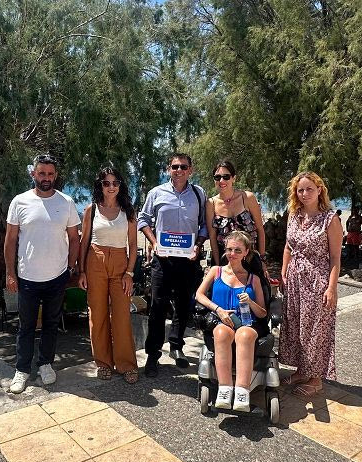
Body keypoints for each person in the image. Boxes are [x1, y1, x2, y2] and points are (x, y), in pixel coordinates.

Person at [4, 153, 81, 394]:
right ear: (33, 174)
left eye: (50, 174)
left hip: (57, 277)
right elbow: (10, 240)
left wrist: (71, 267)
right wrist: (10, 273)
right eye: (41, 173)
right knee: (26, 326)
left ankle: (45, 364)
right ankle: (22, 370)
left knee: (50, 324)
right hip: (27, 278)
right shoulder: (19, 202)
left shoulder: (66, 202)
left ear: (55, 176)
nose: (46, 178)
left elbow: (74, 238)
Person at [137, 153, 208, 377]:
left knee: (184, 305)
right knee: (157, 307)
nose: (179, 170)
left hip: (188, 260)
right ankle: (153, 355)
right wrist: (154, 243)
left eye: (183, 167)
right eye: (175, 166)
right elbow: (142, 219)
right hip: (162, 260)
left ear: (190, 170)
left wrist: (198, 245)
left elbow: (204, 225)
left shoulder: (199, 194)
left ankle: (177, 346)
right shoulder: (156, 193)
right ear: (169, 169)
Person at [279, 172, 342, 398]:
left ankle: (316, 379)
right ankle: (301, 371)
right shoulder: (294, 215)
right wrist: (283, 272)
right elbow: (288, 246)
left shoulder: (330, 219)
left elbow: (335, 257)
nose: (304, 194)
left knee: (315, 330)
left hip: (318, 281)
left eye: (309, 189)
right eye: (300, 190)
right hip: (295, 280)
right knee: (296, 326)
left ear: (319, 190)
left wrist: (331, 288)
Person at [77, 166, 139, 383]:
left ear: (120, 185)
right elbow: (84, 242)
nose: (111, 187)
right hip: (95, 262)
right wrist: (81, 271)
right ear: (100, 186)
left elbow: (133, 244)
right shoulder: (91, 210)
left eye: (115, 183)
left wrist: (129, 273)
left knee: (122, 315)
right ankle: (103, 363)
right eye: (106, 183)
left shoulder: (128, 211)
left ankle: (127, 365)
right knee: (98, 314)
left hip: (121, 264)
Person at [195, 231, 269, 411]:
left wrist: (250, 302)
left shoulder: (254, 279)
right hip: (222, 321)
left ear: (246, 252)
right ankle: (225, 389)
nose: (232, 254)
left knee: (244, 335)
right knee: (221, 333)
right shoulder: (216, 271)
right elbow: (199, 295)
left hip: (248, 323)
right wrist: (218, 310)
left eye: (237, 250)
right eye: (229, 249)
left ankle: (242, 391)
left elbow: (262, 313)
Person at [206, 160, 267, 289]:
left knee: (255, 295)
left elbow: (260, 230)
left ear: (233, 178)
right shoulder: (211, 204)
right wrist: (217, 266)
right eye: (217, 177)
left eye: (226, 177)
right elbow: (212, 237)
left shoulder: (247, 198)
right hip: (226, 260)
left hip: (250, 259)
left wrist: (262, 260)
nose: (221, 180)